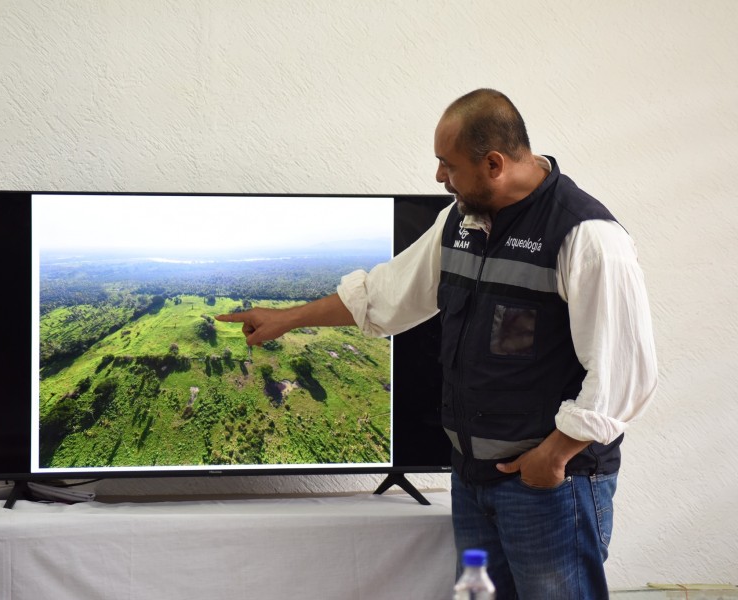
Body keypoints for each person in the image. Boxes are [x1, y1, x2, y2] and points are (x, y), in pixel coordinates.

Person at [216, 88, 657, 599]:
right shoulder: (459, 222)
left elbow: (627, 374)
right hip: (473, 481)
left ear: (493, 163)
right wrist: (286, 319)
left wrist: (553, 457)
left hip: (550, 489)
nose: (439, 178)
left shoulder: (588, 237)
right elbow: (386, 295)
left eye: (447, 164)